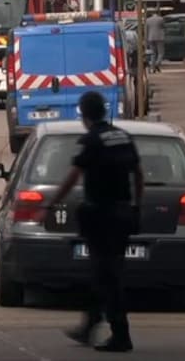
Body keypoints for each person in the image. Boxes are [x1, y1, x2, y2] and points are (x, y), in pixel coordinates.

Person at [45, 91, 144, 353]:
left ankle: (120, 334)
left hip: (101, 215)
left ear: (84, 114)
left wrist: (54, 203)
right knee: (104, 273)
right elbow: (138, 174)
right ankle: (90, 325)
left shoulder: (90, 141)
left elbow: (73, 175)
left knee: (106, 275)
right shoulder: (123, 136)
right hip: (122, 213)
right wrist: (136, 206)